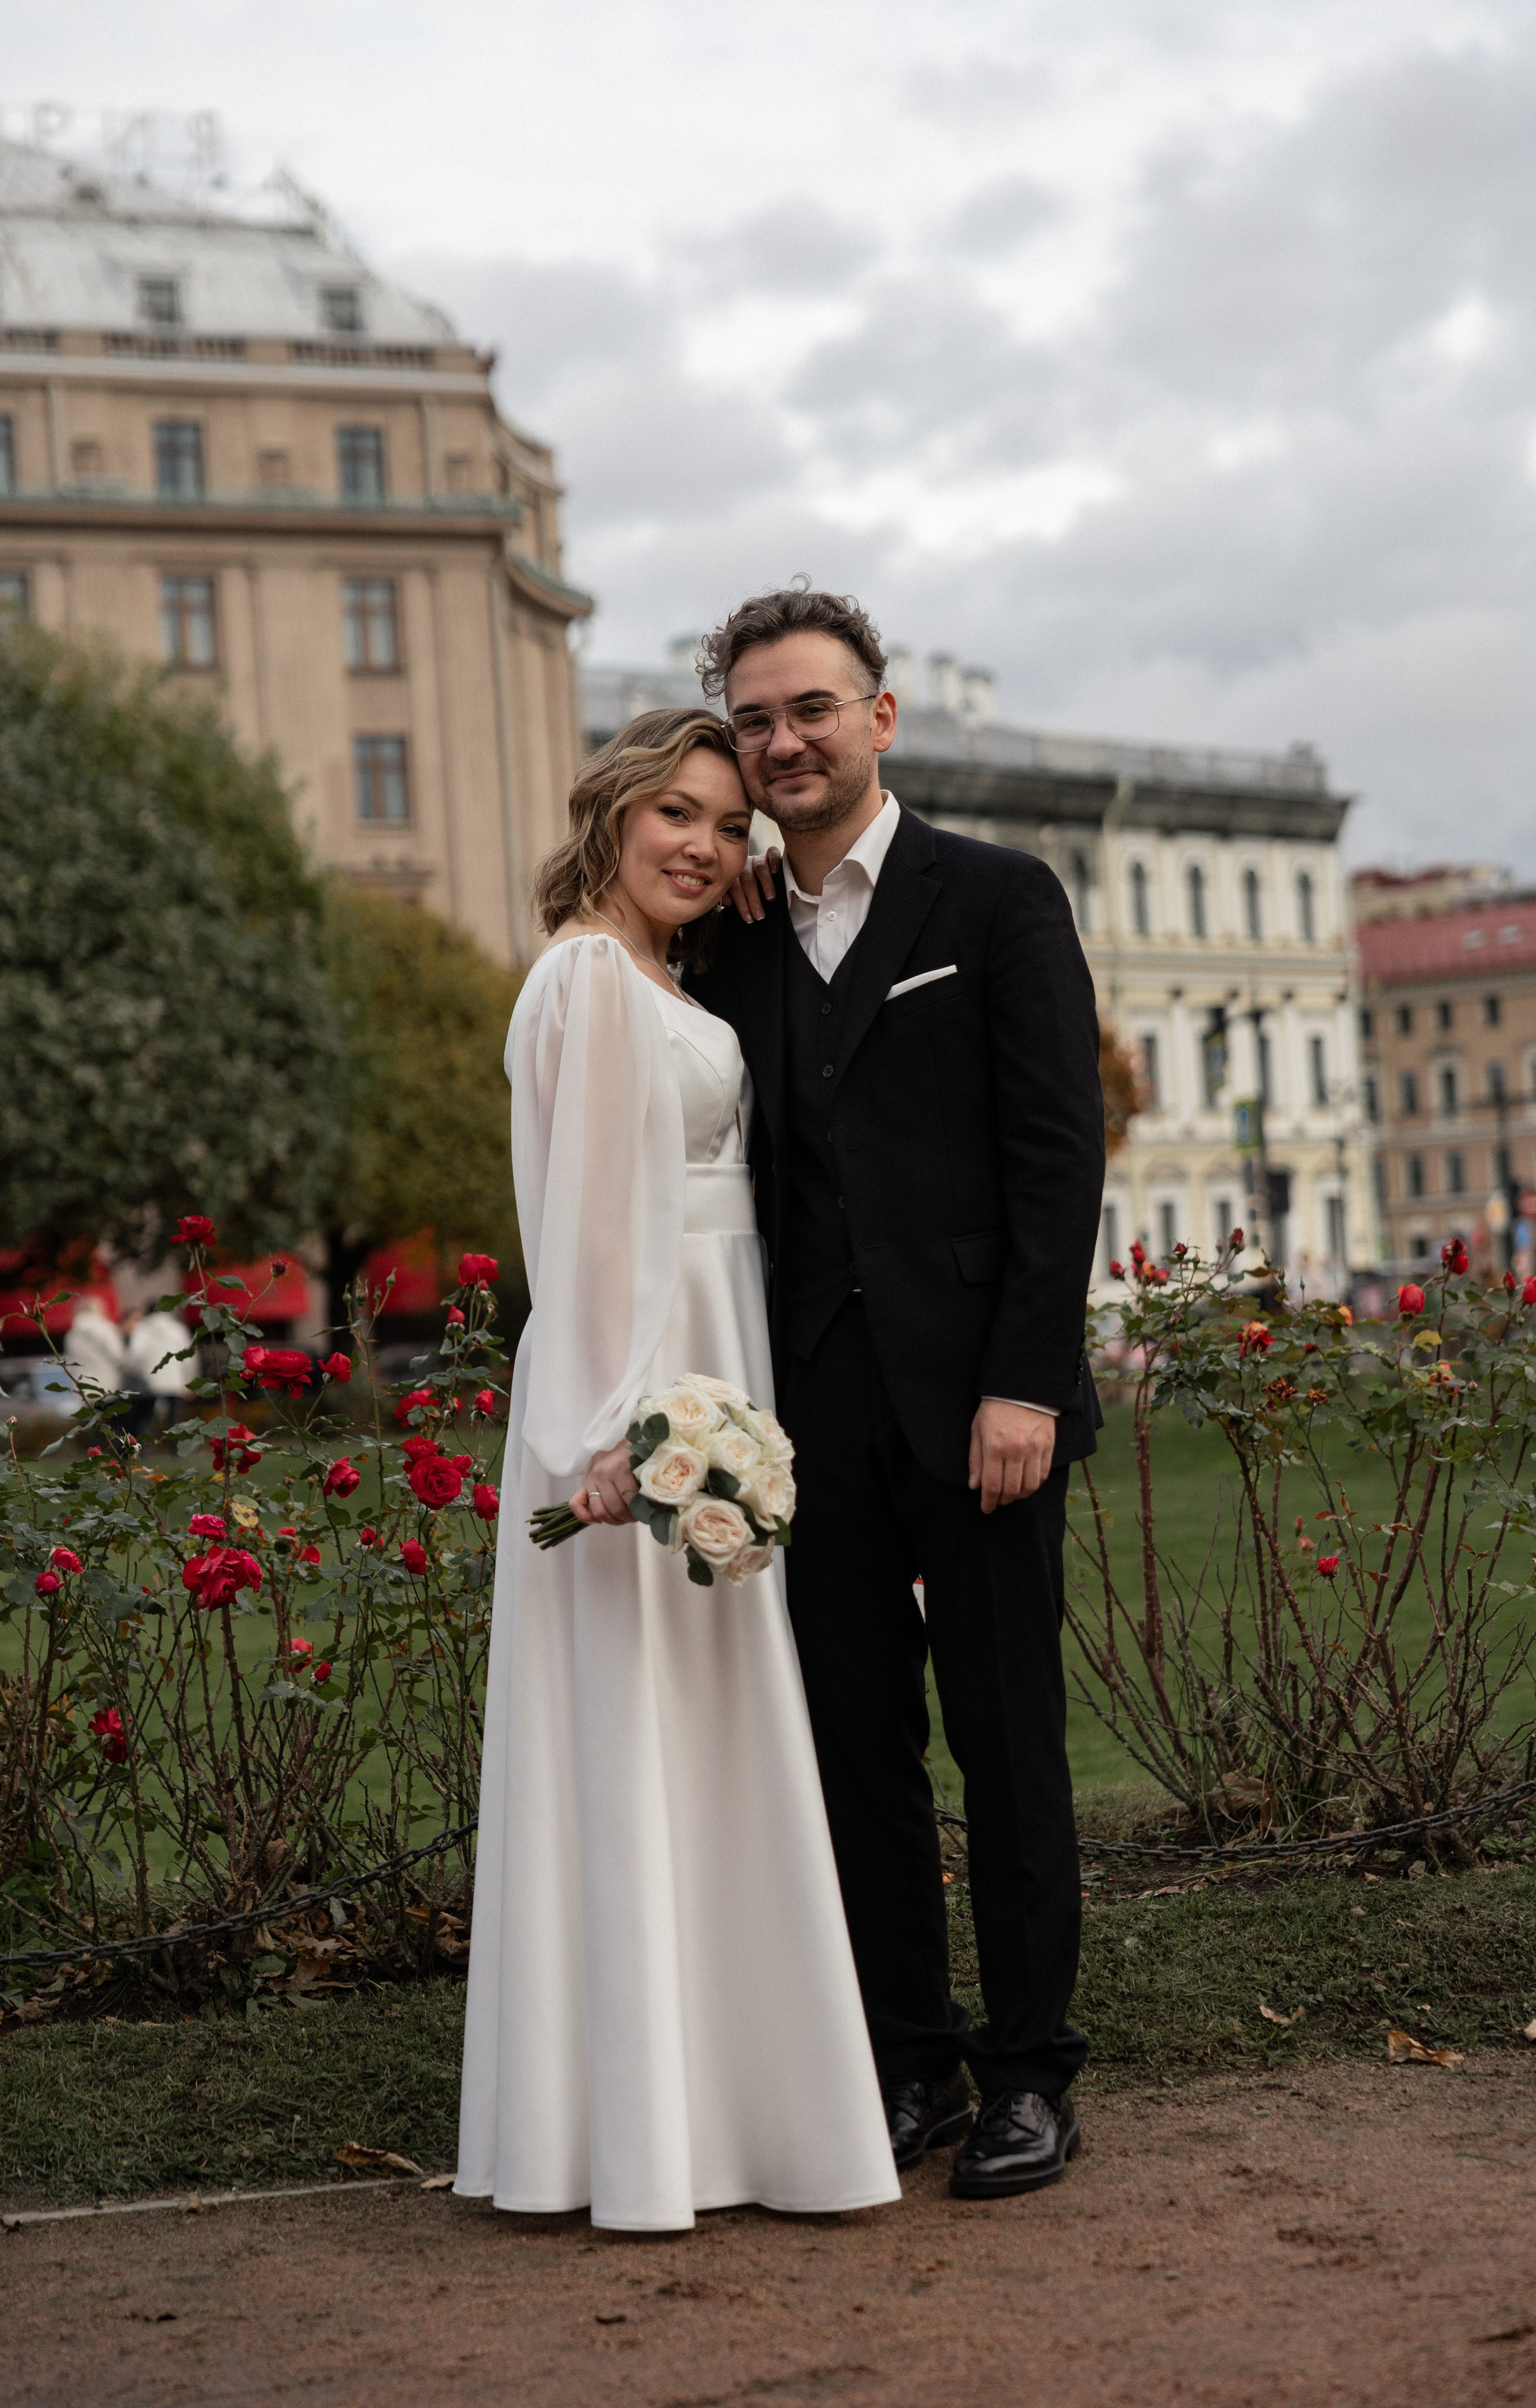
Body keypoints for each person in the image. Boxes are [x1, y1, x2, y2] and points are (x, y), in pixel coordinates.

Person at [456, 707, 899, 2232]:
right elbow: (580, 1228)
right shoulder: (588, 979)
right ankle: (649, 2134)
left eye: (729, 826)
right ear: (613, 810)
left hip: (711, 1357)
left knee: (708, 1732)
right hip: (641, 1389)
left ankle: (716, 2110)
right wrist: (605, 1438)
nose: (705, 846)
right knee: (653, 1734)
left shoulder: (658, 976)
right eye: (679, 814)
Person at [687, 586, 1105, 2200]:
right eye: (753, 719)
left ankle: (1031, 2070)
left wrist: (1022, 1380)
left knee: (1007, 1742)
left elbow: (1055, 1158)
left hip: (977, 1406)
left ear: (878, 717)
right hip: (803, 1416)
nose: (781, 739)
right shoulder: (727, 936)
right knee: (853, 1744)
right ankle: (907, 2054)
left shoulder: (995, 898)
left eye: (809, 707)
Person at [122, 1304, 195, 1439]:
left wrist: (132, 1372)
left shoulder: (143, 1329)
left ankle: (145, 1448)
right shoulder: (177, 1329)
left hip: (150, 1381)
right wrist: (189, 1380)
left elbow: (136, 1355)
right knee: (175, 1418)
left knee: (146, 1418)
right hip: (175, 1380)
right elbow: (189, 1357)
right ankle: (176, 1449)